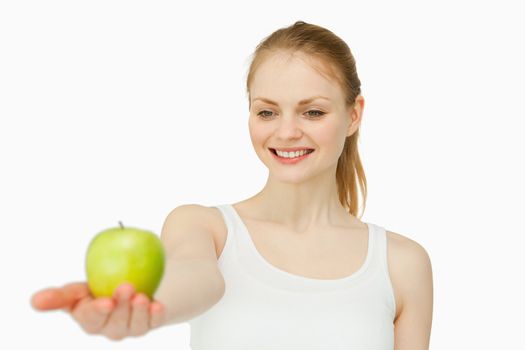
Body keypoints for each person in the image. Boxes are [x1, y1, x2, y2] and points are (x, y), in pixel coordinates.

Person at [31, 20, 433, 348]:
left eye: (312, 112)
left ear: (354, 115)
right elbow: (195, 279)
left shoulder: (401, 264)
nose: (287, 131)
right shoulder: (205, 228)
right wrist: (145, 308)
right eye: (267, 112)